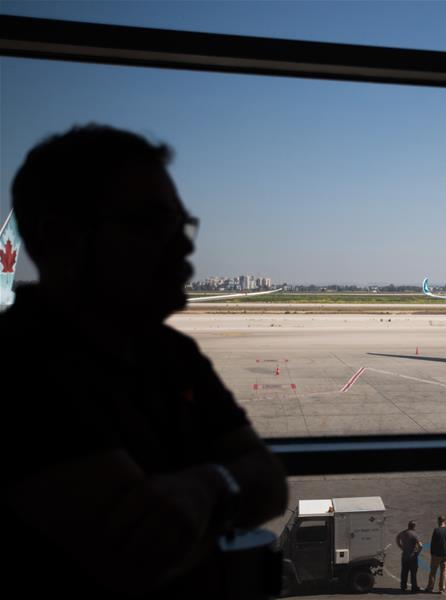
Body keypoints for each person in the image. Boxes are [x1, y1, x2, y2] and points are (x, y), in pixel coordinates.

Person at [1, 124, 288, 598]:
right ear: (63, 239)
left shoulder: (171, 352)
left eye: (182, 225)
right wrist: (225, 483)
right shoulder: (17, 371)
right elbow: (137, 546)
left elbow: (273, 485)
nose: (185, 246)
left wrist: (203, 489)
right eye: (153, 223)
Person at [424, 515, 446, 594]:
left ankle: (430, 587)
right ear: (444, 521)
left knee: (433, 572)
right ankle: (442, 588)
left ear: (439, 521)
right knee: (443, 572)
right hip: (445, 555)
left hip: (436, 555)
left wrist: (432, 553)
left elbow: (433, 543)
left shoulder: (437, 530)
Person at [395, 520, 422, 593]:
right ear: (413, 526)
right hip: (412, 556)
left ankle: (403, 586)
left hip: (404, 556)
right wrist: (418, 553)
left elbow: (397, 538)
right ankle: (414, 587)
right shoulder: (414, 534)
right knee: (413, 573)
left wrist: (400, 546)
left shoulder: (403, 533)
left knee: (404, 571)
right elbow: (420, 545)